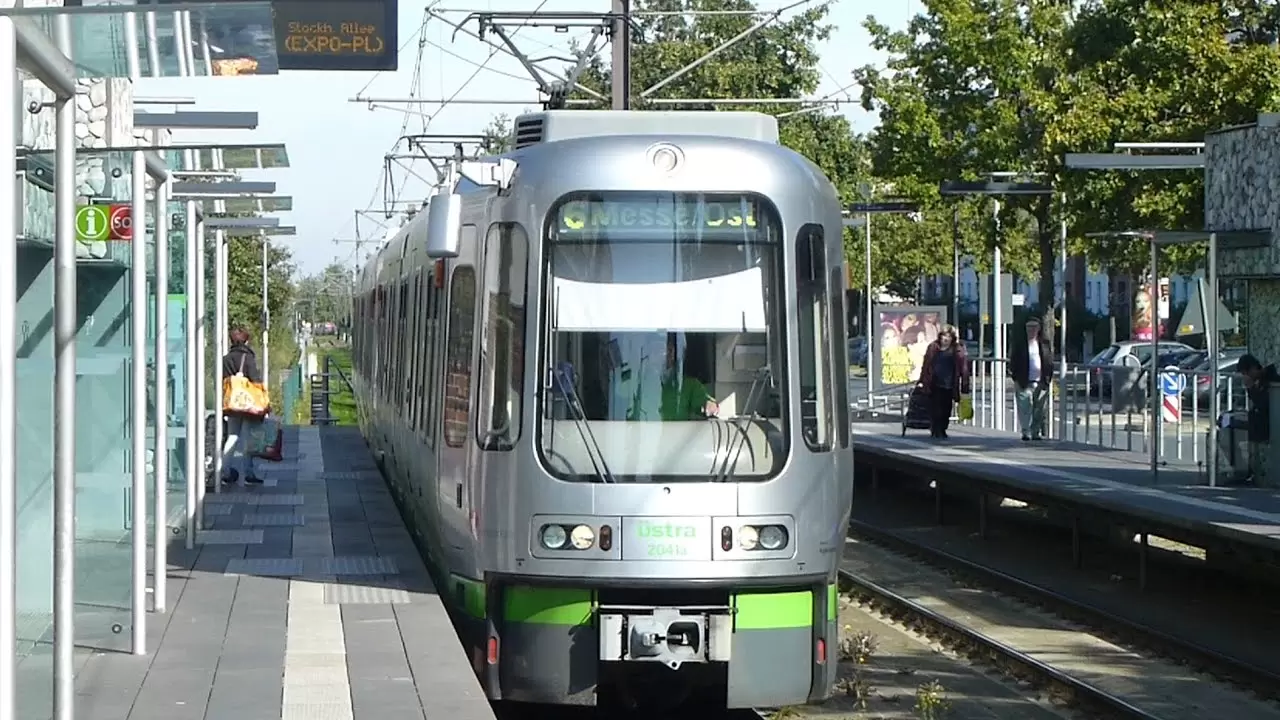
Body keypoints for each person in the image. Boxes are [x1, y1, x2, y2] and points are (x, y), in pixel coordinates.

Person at [220, 327, 265, 486]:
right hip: (248, 405)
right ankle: (249, 473)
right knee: (248, 440)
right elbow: (256, 381)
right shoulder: (248, 358)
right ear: (246, 341)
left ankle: (225, 471)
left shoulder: (225, 359)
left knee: (232, 436)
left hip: (232, 404)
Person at [1227, 354, 1280, 484]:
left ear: (1252, 369)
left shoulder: (1271, 380)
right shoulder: (1262, 379)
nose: (1246, 377)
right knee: (1229, 425)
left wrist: (1250, 388)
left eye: (1246, 373)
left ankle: (1244, 470)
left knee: (1235, 428)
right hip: (1260, 420)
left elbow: (1265, 405)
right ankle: (1241, 469)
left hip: (1267, 423)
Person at [916, 324, 970, 439]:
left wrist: (965, 385)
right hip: (934, 382)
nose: (945, 339)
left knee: (946, 408)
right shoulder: (933, 347)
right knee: (935, 407)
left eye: (948, 336)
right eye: (944, 336)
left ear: (952, 337)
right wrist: (922, 380)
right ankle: (936, 429)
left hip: (950, 383)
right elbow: (926, 365)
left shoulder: (957, 349)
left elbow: (964, 368)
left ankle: (942, 428)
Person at [1010, 317, 1055, 441]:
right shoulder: (1020, 344)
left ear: (1039, 329)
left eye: (1034, 327)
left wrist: (1048, 379)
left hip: (1041, 381)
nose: (1031, 330)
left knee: (1039, 409)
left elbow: (1049, 361)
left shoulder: (1044, 343)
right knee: (1025, 407)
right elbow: (1013, 361)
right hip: (1024, 381)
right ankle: (1026, 431)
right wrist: (1015, 378)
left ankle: (1036, 432)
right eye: (1029, 327)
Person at [658, 333, 719, 421]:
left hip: (677, 434)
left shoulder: (689, 384)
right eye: (654, 348)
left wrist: (710, 406)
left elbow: (706, 402)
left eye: (664, 349)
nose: (659, 354)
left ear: (673, 352)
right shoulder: (636, 382)